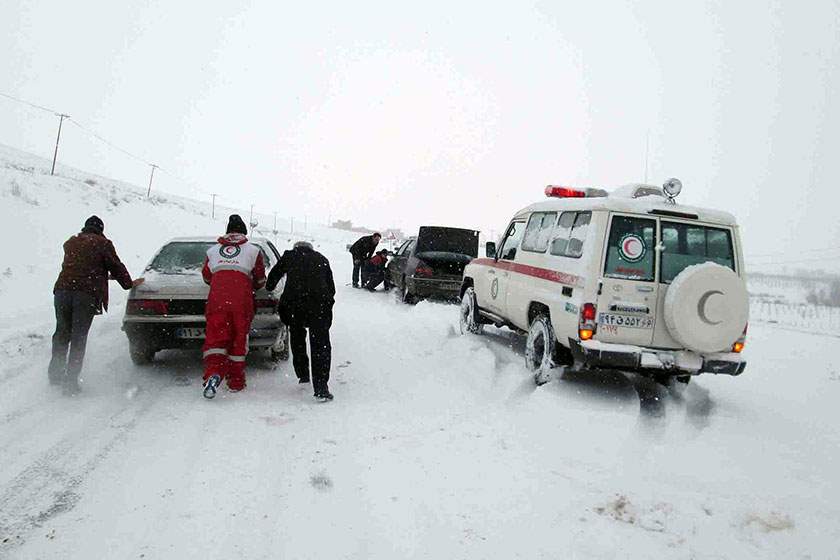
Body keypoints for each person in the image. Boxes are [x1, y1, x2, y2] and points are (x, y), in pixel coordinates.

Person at [49, 215, 142, 395]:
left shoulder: (71, 243)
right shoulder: (103, 243)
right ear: (100, 229)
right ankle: (70, 383)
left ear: (85, 228)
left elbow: (80, 265)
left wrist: (98, 273)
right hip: (85, 295)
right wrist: (128, 283)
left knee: (61, 332)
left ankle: (55, 373)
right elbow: (116, 266)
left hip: (62, 291)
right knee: (78, 337)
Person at [201, 215, 266, 399]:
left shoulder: (212, 251)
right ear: (244, 232)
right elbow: (260, 280)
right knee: (238, 340)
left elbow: (206, 277)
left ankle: (213, 373)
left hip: (217, 300)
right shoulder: (253, 251)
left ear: (227, 232)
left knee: (215, 339)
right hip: (241, 302)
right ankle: (236, 382)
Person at [266, 240, 336, 402]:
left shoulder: (290, 257)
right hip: (318, 306)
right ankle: (321, 388)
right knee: (321, 345)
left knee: (297, 338)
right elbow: (331, 289)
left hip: (295, 305)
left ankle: (303, 375)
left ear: (295, 248)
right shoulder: (321, 259)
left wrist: (269, 287)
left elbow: (273, 277)